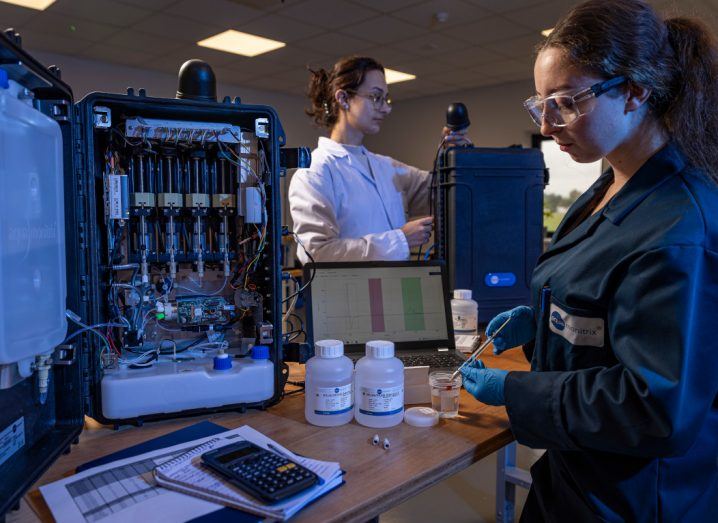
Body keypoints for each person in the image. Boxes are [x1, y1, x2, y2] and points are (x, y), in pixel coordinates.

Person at [460, 0, 718, 520]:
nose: (550, 122)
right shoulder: (610, 184)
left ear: (635, 90)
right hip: (578, 475)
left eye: (567, 101)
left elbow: (655, 406)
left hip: (633, 497)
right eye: (541, 104)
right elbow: (608, 314)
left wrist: (517, 390)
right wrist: (543, 324)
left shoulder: (679, 225)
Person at [288, 56, 469, 262]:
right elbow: (315, 253)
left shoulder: (388, 168)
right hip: (349, 293)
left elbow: (445, 192)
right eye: (376, 97)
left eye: (386, 99)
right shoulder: (315, 172)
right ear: (343, 98)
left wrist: (453, 158)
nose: (386, 108)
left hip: (396, 290)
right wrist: (399, 240)